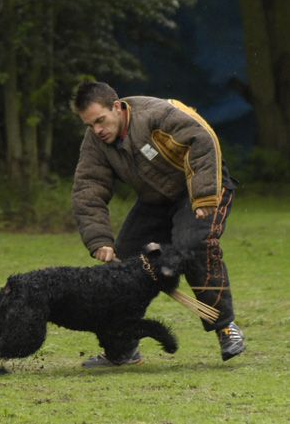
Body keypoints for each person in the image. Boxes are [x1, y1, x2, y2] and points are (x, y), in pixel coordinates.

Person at [70, 80, 245, 367]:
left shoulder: (157, 115)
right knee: (122, 264)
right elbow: (87, 188)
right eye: (90, 125)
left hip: (201, 187)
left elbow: (202, 141)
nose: (97, 130)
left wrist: (203, 196)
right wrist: (99, 239)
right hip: (155, 199)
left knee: (192, 246)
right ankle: (124, 348)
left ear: (116, 107)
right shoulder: (96, 143)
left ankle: (226, 327)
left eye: (100, 121)